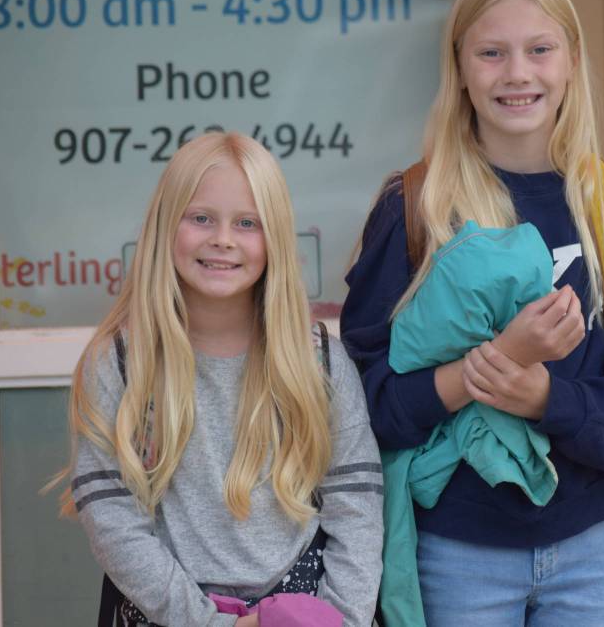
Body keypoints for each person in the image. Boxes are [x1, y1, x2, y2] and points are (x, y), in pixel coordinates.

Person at [340, 0, 604, 627]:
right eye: (491, 52)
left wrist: (547, 399)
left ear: (571, 59)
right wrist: (478, 375)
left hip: (591, 552)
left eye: (539, 49)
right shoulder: (415, 209)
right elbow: (363, 408)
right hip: (454, 555)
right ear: (460, 66)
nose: (517, 74)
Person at [56, 132, 383, 627]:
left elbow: (356, 507)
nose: (223, 239)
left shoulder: (320, 363)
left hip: (303, 609)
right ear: (167, 226)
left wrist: (341, 620)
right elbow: (114, 523)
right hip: (166, 611)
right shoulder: (121, 364)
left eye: (247, 223)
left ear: (275, 236)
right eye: (201, 217)